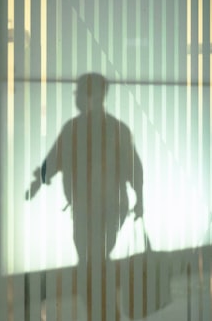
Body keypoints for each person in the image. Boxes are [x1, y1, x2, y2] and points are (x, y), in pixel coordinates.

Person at [25, 73, 144, 265]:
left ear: (95, 95)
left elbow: (134, 168)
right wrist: (37, 183)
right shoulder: (96, 129)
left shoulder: (91, 129)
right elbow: (54, 159)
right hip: (94, 205)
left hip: (103, 204)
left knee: (92, 252)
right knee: (93, 252)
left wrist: (37, 183)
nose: (77, 98)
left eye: (80, 93)